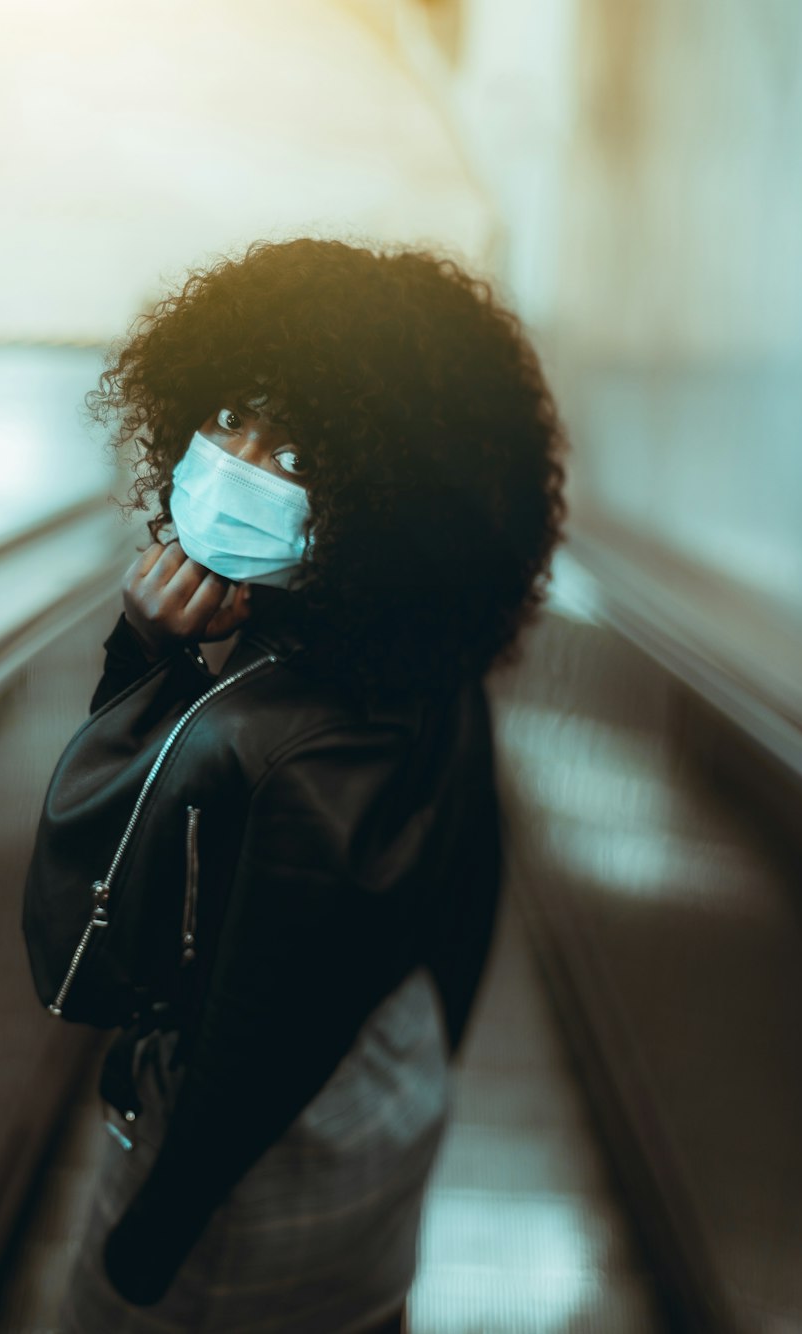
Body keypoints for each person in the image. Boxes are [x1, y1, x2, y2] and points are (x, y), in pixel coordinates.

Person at [56, 238, 567, 1333]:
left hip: (255, 1166)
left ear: (385, 486)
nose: (236, 459)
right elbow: (464, 904)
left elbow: (201, 981)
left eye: (293, 448)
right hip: (388, 1083)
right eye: (232, 412)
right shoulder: (415, 651)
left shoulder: (289, 727)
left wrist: (152, 1230)